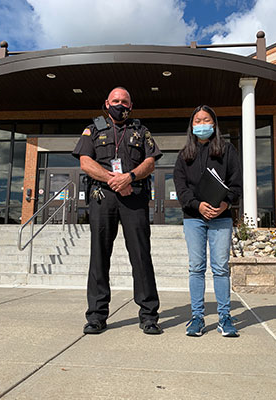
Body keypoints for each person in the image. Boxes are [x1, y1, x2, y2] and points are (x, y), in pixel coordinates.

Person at [72, 87, 163, 335]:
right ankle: (96, 316)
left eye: (124, 101)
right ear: (107, 103)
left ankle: (148, 315)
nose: (120, 105)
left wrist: (129, 177)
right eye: (115, 101)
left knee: (141, 256)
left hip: (134, 197)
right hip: (103, 198)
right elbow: (85, 161)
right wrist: (114, 180)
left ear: (131, 106)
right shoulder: (93, 129)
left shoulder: (141, 131)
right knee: (99, 257)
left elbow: (151, 161)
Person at [173, 105, 243, 337]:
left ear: (214, 124)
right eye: (198, 120)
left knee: (221, 268)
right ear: (192, 126)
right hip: (194, 218)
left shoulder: (227, 151)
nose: (202, 124)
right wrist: (198, 205)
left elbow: (236, 184)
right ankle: (197, 317)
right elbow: (182, 189)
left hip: (221, 218)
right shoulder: (184, 156)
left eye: (206, 120)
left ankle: (225, 317)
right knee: (196, 268)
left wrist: (225, 204)